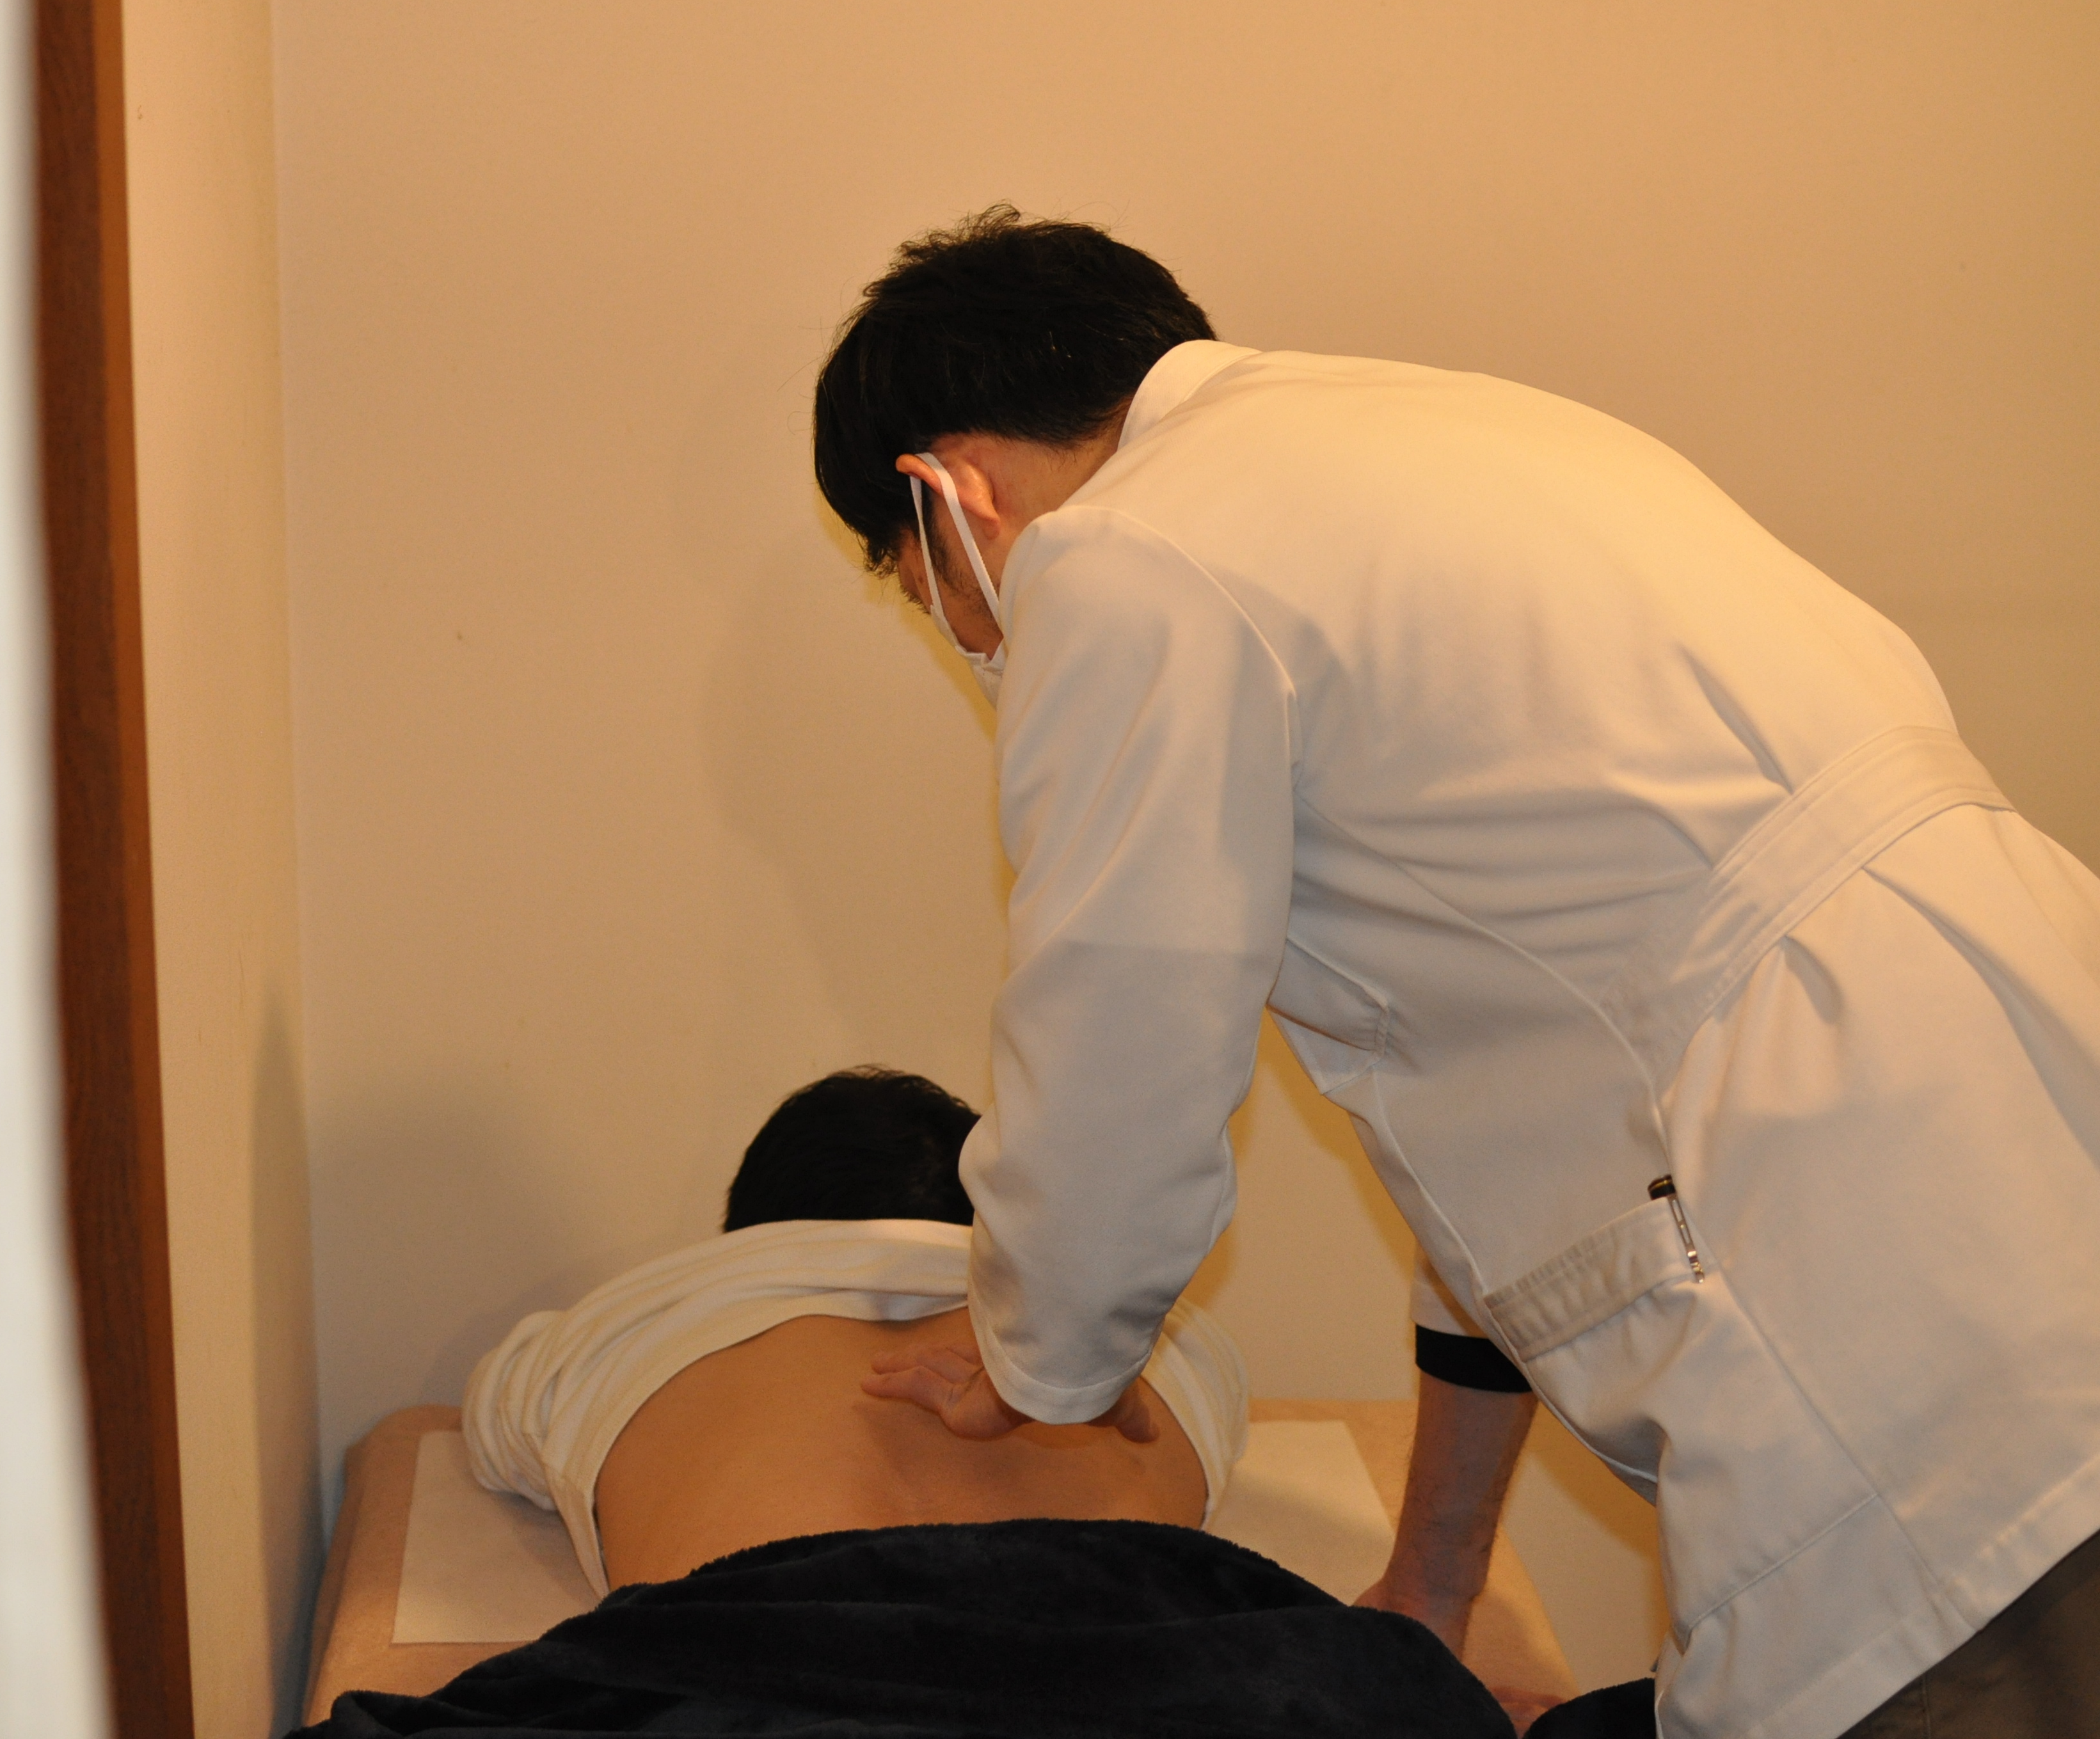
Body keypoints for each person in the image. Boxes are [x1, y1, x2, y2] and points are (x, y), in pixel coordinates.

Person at [815, 207, 2100, 1739]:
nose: (975, 641)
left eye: (935, 596)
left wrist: (1036, 1348)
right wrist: (1434, 1576)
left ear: (946, 490)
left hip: (1903, 1320)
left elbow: (1116, 1042)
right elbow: (1511, 1135)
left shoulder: (1123, 550)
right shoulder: (1461, 440)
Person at [464, 1067, 1243, 1593]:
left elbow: (493, 1425)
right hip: (1135, 1652)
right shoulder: (1173, 1339)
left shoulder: (640, 1311)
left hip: (756, 1659)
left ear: (747, 1229)